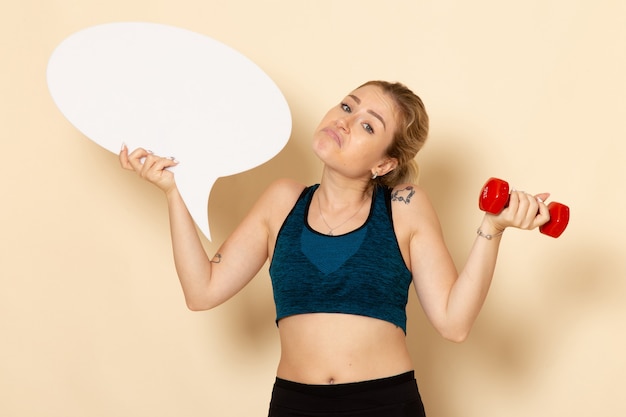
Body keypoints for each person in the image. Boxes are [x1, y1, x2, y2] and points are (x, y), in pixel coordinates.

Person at [119, 80, 551, 416]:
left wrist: (492, 227)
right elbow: (202, 290)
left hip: (383, 406)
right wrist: (173, 193)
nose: (344, 121)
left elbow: (454, 324)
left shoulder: (404, 207)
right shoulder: (282, 200)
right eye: (347, 105)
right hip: (294, 406)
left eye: (367, 125)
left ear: (385, 163)